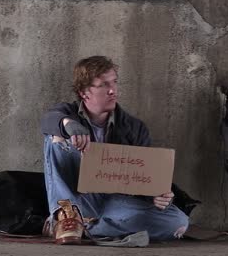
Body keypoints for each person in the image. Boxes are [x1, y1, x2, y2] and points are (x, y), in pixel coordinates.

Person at [40, 56, 189, 243]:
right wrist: (67, 123)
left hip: (115, 202)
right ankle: (66, 217)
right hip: (79, 197)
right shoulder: (66, 113)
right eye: (103, 85)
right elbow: (49, 120)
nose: (113, 90)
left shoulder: (134, 127)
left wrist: (158, 195)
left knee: (178, 222)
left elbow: (145, 177)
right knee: (56, 137)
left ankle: (81, 228)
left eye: (115, 82)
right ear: (84, 92)